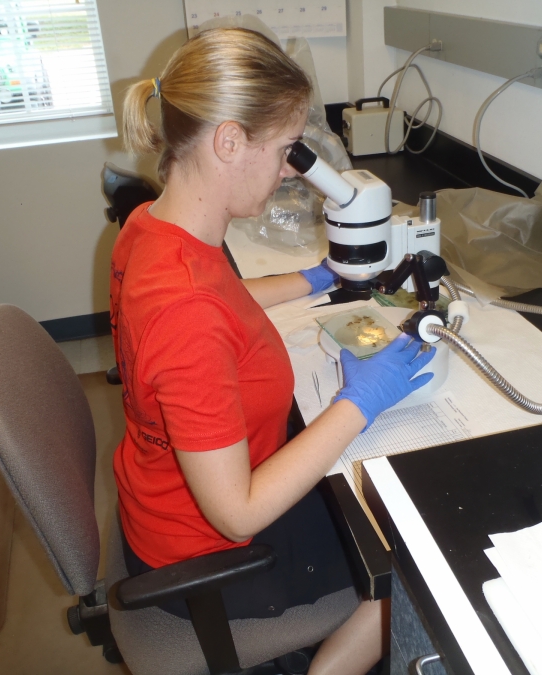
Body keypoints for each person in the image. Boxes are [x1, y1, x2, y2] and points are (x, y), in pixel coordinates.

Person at [113, 26, 435, 675]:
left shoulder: (153, 227)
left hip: (160, 501)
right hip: (211, 553)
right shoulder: (186, 313)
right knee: (417, 564)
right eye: (287, 149)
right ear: (228, 140)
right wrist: (359, 402)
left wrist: (320, 279)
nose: (292, 169)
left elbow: (222, 296)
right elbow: (238, 513)